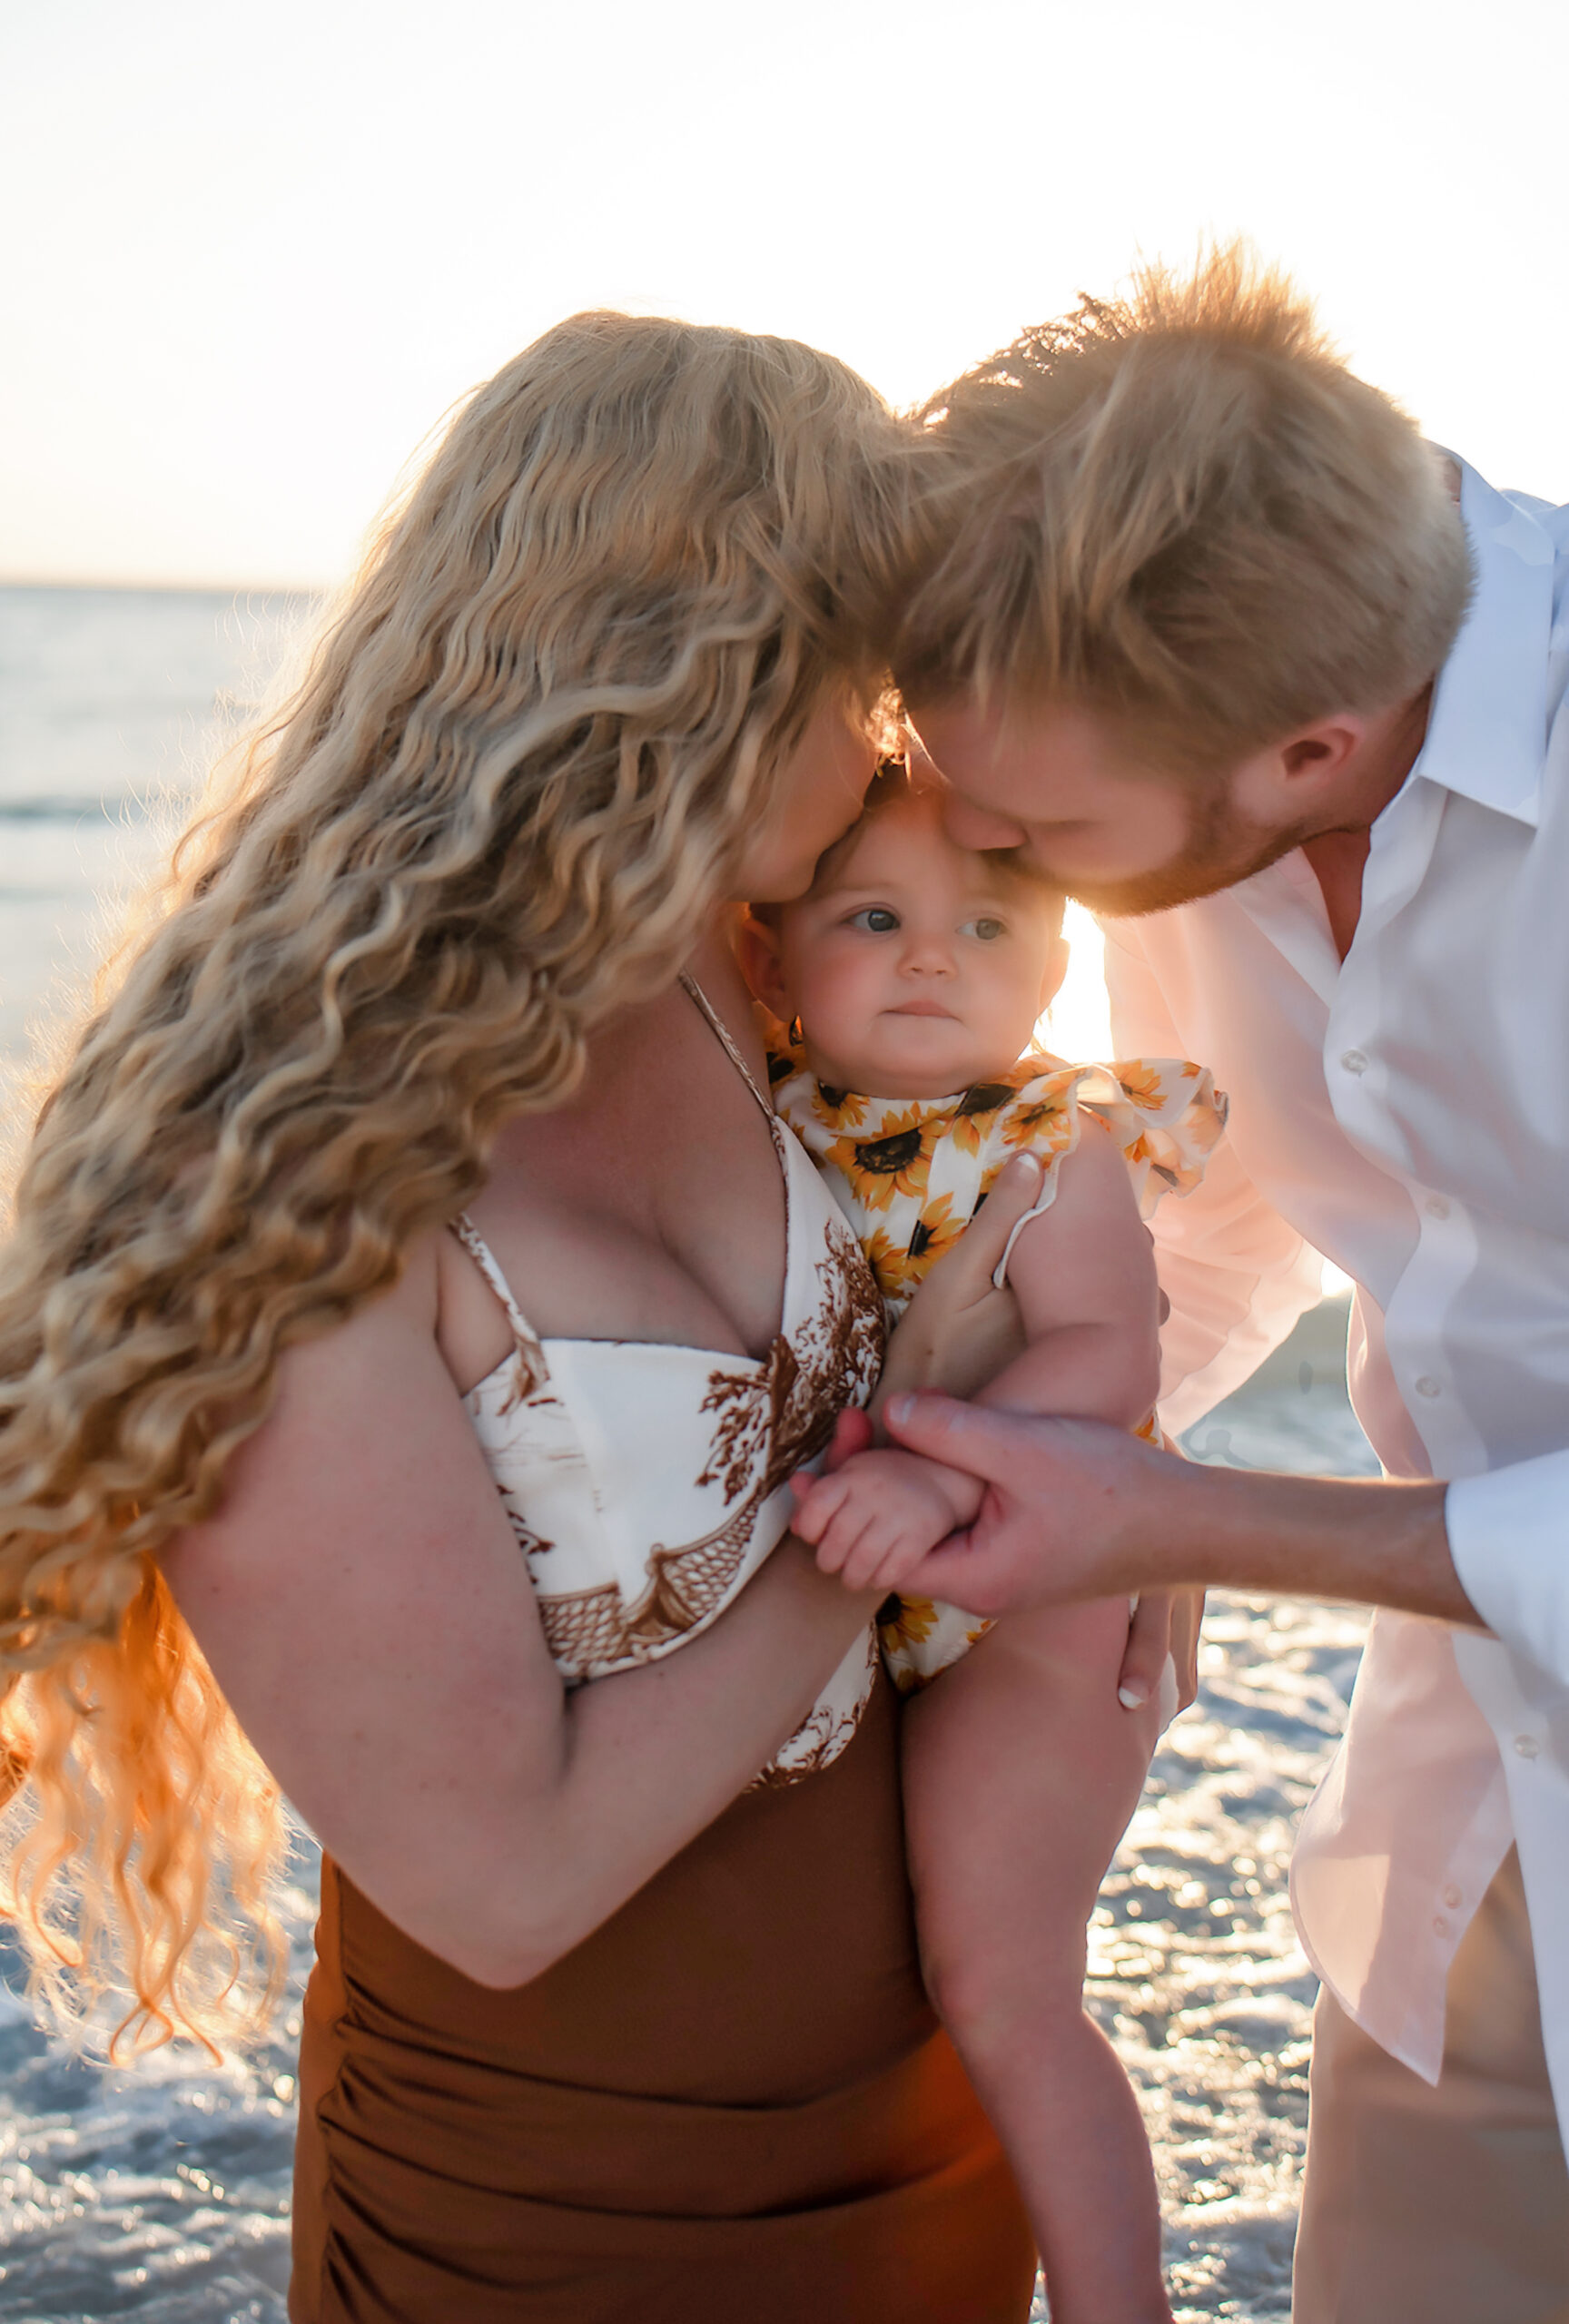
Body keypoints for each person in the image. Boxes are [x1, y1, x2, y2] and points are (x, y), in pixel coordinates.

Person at [0, 316, 1044, 2323]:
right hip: (561, 2209)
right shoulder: (285, 1186)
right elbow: (503, 1884)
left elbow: (1053, 1164)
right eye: (867, 669)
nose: (896, 743)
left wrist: (1093, 1483)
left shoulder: (754, 965)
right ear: (708, 663)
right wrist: (916, 1466)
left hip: (925, 2125)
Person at [862, 246, 1569, 2322]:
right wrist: (1040, 1415)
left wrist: (1180, 1520)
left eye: (1033, 822)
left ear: (1309, 748)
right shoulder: (1194, 745)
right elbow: (1230, 1203)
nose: (974, 839)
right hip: (1472, 1813)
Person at [738, 760, 1222, 2323]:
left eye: (989, 925)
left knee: (1004, 1984)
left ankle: (1113, 2306)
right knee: (879, 1978)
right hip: (866, 1608)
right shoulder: (762, 1108)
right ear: (773, 952)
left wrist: (945, 1481)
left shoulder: (1048, 1137)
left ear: (1058, 969)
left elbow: (1105, 1355)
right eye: (875, 917)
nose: (934, 956)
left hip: (1041, 1602)